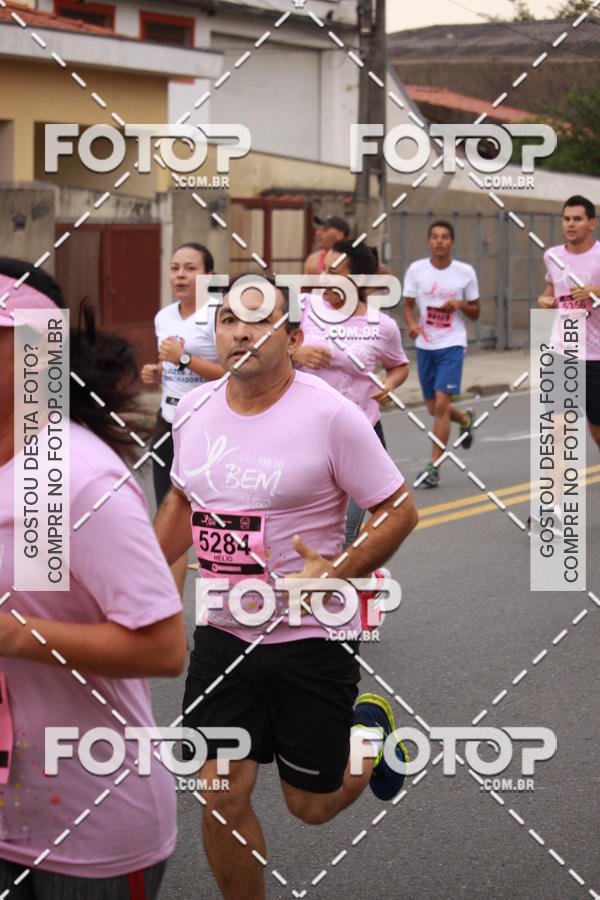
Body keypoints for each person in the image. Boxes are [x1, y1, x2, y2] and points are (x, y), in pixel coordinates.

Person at [154, 274, 419, 900]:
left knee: (311, 804)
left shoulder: (331, 414)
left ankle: (372, 734)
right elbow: (181, 503)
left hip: (310, 634)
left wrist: (339, 570)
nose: (239, 331)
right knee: (219, 794)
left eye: (258, 319)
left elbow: (399, 508)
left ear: (293, 336)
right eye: (227, 319)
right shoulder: (193, 409)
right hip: (222, 634)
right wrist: (134, 580)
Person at [0, 259, 186, 898]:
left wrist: (15, 636)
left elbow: (161, 647)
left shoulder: (66, 476)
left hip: (90, 829)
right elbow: (43, 588)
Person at [294, 240, 409, 547]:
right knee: (299, 533)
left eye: (334, 272)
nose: (323, 278)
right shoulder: (305, 307)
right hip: (305, 435)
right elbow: (272, 347)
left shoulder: (382, 326)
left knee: (343, 538)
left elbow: (399, 366)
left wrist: (390, 385)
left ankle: (343, 591)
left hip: (359, 435)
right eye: (324, 270)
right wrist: (298, 353)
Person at [141, 243, 224, 596]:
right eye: (175, 268)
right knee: (169, 520)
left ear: (207, 274)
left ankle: (232, 608)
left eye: (190, 268)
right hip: (168, 423)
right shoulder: (164, 316)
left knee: (216, 521)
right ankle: (171, 618)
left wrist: (185, 358)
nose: (180, 275)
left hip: (211, 426)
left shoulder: (222, 314)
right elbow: (174, 363)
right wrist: (158, 370)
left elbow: (232, 373)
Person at [403, 220, 480, 488]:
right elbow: (408, 306)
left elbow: (476, 311)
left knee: (441, 404)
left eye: (445, 237)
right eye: (434, 237)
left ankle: (433, 466)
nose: (439, 241)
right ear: (429, 241)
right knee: (433, 407)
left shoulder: (465, 272)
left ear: (452, 242)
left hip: (452, 344)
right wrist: (412, 325)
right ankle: (466, 419)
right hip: (426, 346)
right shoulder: (417, 270)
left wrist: (460, 304)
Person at [538, 194, 600, 453]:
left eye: (577, 219)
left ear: (592, 223)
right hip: (562, 349)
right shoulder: (552, 256)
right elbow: (550, 290)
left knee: (596, 424)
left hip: (595, 353)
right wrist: (545, 299)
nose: (570, 224)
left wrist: (594, 291)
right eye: (566, 219)